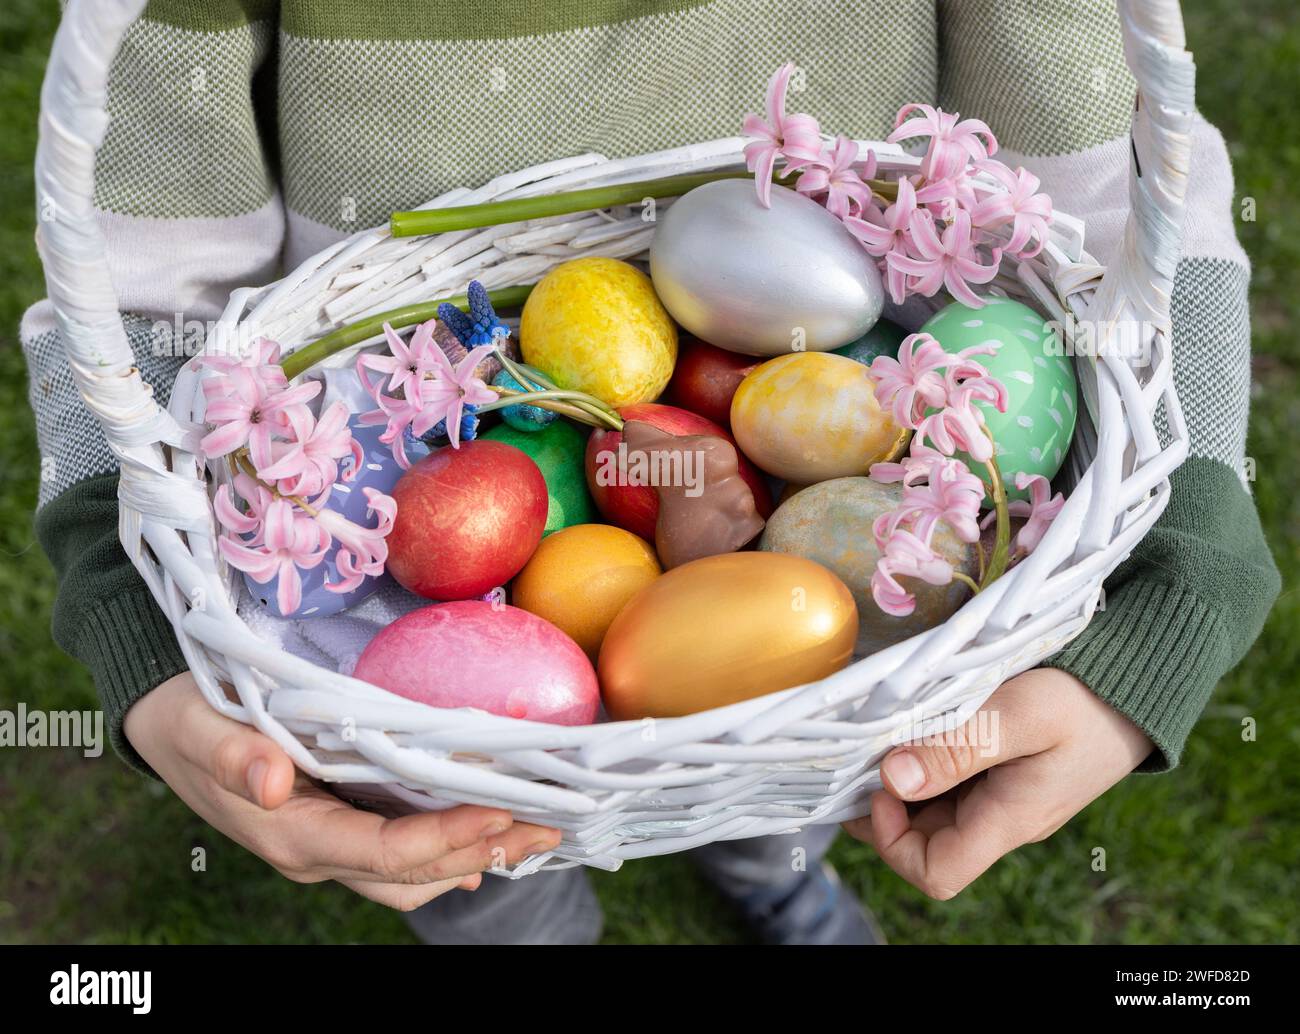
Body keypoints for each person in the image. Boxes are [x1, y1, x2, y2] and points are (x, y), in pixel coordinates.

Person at [24, 0, 1278, 943]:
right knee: (472, 846)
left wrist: (1181, 571)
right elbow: (142, 295)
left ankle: (773, 860)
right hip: (399, 508)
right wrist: (144, 611)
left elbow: (1114, 212)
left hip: (820, 604)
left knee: (783, 709)